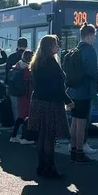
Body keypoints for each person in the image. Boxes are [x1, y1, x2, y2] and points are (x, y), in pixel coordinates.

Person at [28, 35, 73, 178]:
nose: (58, 47)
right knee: (49, 136)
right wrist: (68, 101)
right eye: (55, 44)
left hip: (37, 101)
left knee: (41, 135)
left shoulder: (36, 63)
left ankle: (41, 166)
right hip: (51, 102)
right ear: (49, 47)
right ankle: (51, 168)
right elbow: (58, 87)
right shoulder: (52, 64)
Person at [67, 23, 98, 163]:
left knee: (74, 123)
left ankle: (73, 150)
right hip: (84, 92)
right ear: (89, 35)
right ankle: (80, 153)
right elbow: (92, 71)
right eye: (94, 36)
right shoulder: (89, 50)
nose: (94, 39)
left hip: (72, 92)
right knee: (81, 124)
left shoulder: (75, 49)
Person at [9, 50, 34, 145]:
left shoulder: (18, 66)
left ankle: (13, 136)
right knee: (27, 116)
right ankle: (24, 137)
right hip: (27, 95)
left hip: (20, 95)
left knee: (20, 116)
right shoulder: (27, 69)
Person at [5, 37, 29, 122]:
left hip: (14, 88)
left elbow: (7, 73)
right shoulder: (30, 56)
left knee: (16, 109)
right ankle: (27, 129)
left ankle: (18, 130)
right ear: (26, 45)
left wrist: (7, 86)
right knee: (27, 109)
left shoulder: (11, 57)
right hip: (27, 89)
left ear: (17, 45)